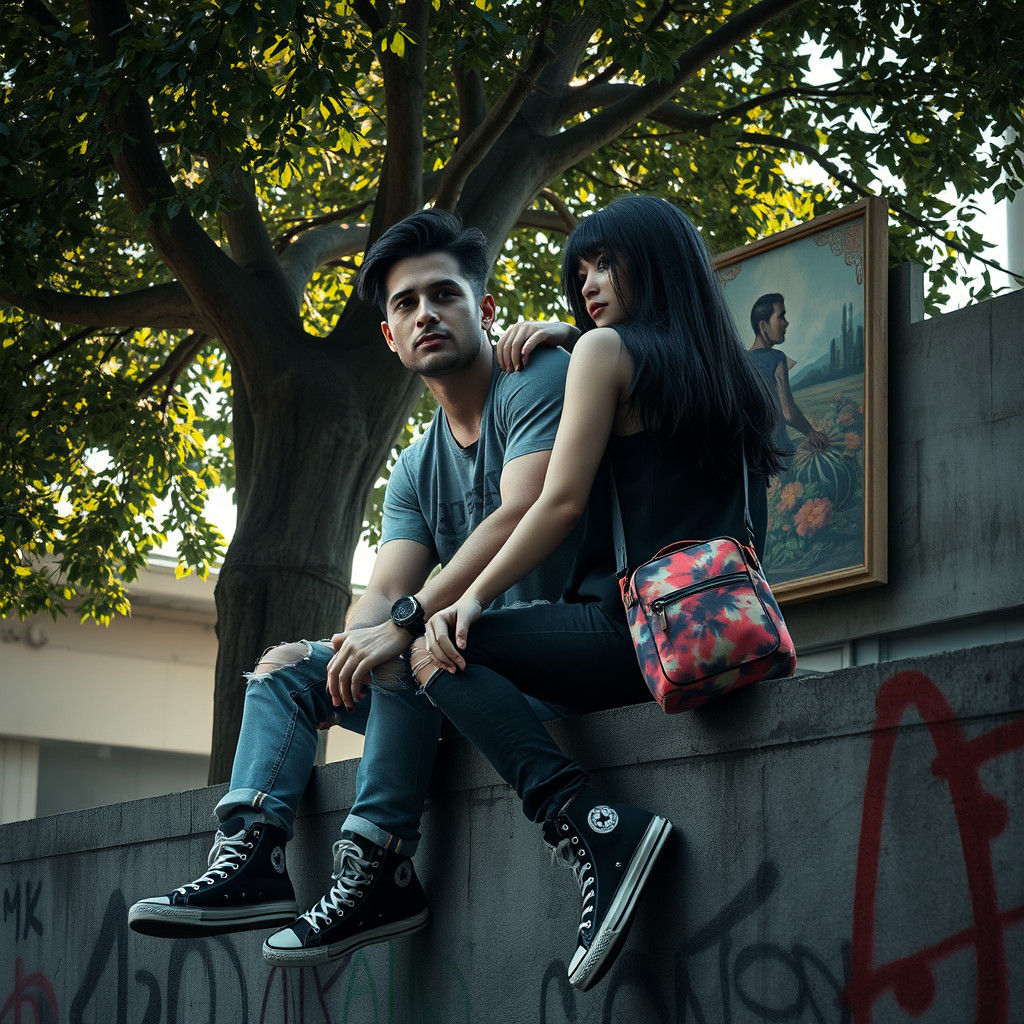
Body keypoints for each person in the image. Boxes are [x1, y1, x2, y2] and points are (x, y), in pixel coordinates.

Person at [127, 210, 582, 957]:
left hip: (547, 672)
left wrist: (397, 627)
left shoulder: (533, 379)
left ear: (485, 309)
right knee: (283, 669)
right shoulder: (415, 467)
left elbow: (521, 509)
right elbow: (382, 593)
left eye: (445, 294)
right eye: (406, 304)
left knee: (405, 649)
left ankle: (378, 869)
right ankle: (252, 858)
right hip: (451, 669)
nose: (425, 313)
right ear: (390, 337)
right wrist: (343, 650)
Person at [398, 196, 781, 991]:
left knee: (434, 653)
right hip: (725, 627)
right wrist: (573, 339)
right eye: (580, 273)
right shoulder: (729, 373)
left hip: (631, 635)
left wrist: (472, 598)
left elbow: (559, 503)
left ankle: (592, 826)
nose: (589, 284)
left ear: (655, 262)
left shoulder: (604, 352)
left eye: (606, 264)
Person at [747, 293, 829, 470]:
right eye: (781, 316)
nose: (787, 323)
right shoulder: (777, 358)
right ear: (763, 325)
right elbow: (788, 413)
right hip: (777, 454)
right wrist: (811, 432)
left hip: (752, 457)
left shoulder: (740, 361)